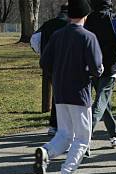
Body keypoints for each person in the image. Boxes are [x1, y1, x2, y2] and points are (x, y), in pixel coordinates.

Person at [35, 0, 103, 174]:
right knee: (82, 138)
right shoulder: (88, 37)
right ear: (85, 16)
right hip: (80, 92)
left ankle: (46, 151)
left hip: (60, 91)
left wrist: (57, 73)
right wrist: (94, 70)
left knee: (65, 134)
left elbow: (44, 63)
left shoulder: (57, 35)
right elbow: (97, 68)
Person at [85, 0, 116, 149]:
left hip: (92, 67)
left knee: (103, 104)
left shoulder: (88, 19)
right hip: (110, 68)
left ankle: (115, 133)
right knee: (100, 103)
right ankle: (84, 137)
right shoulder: (115, 19)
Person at [30, 4, 68, 137]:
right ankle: (62, 126)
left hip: (49, 64)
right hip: (66, 64)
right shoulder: (69, 25)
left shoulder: (47, 24)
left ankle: (54, 125)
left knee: (56, 94)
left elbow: (34, 40)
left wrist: (42, 52)